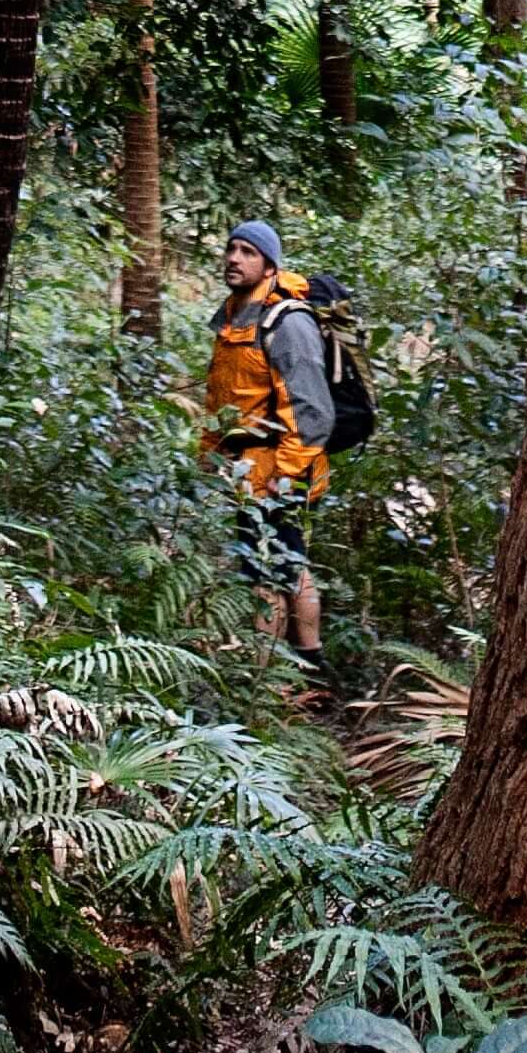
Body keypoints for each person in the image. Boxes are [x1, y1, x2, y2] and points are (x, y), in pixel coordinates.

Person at [204, 218, 336, 695]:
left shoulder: (287, 322)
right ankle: (302, 677)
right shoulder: (234, 316)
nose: (235, 259)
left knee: (273, 576)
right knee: (279, 570)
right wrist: (211, 455)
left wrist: (283, 479)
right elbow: (226, 399)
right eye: (232, 249)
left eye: (248, 252)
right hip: (248, 471)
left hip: (282, 472)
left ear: (269, 265)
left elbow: (312, 413)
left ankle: (277, 688)